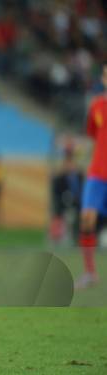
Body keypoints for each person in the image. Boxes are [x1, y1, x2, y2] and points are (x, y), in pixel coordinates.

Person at [75, 63, 107, 289]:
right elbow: (94, 137)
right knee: (86, 218)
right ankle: (90, 273)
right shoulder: (96, 106)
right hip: (97, 173)